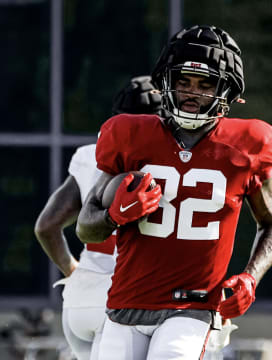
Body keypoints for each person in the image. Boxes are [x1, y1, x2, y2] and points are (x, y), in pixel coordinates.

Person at [76, 24, 272, 360]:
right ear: (167, 82)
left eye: (205, 84)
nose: (192, 92)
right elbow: (85, 227)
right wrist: (114, 215)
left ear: (226, 90)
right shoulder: (129, 133)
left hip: (194, 306)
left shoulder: (250, 143)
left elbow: (270, 223)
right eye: (183, 81)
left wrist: (251, 278)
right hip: (125, 303)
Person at [35, 76, 162, 360]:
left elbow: (46, 226)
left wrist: (72, 270)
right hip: (127, 301)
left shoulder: (89, 155)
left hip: (81, 298)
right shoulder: (169, 159)